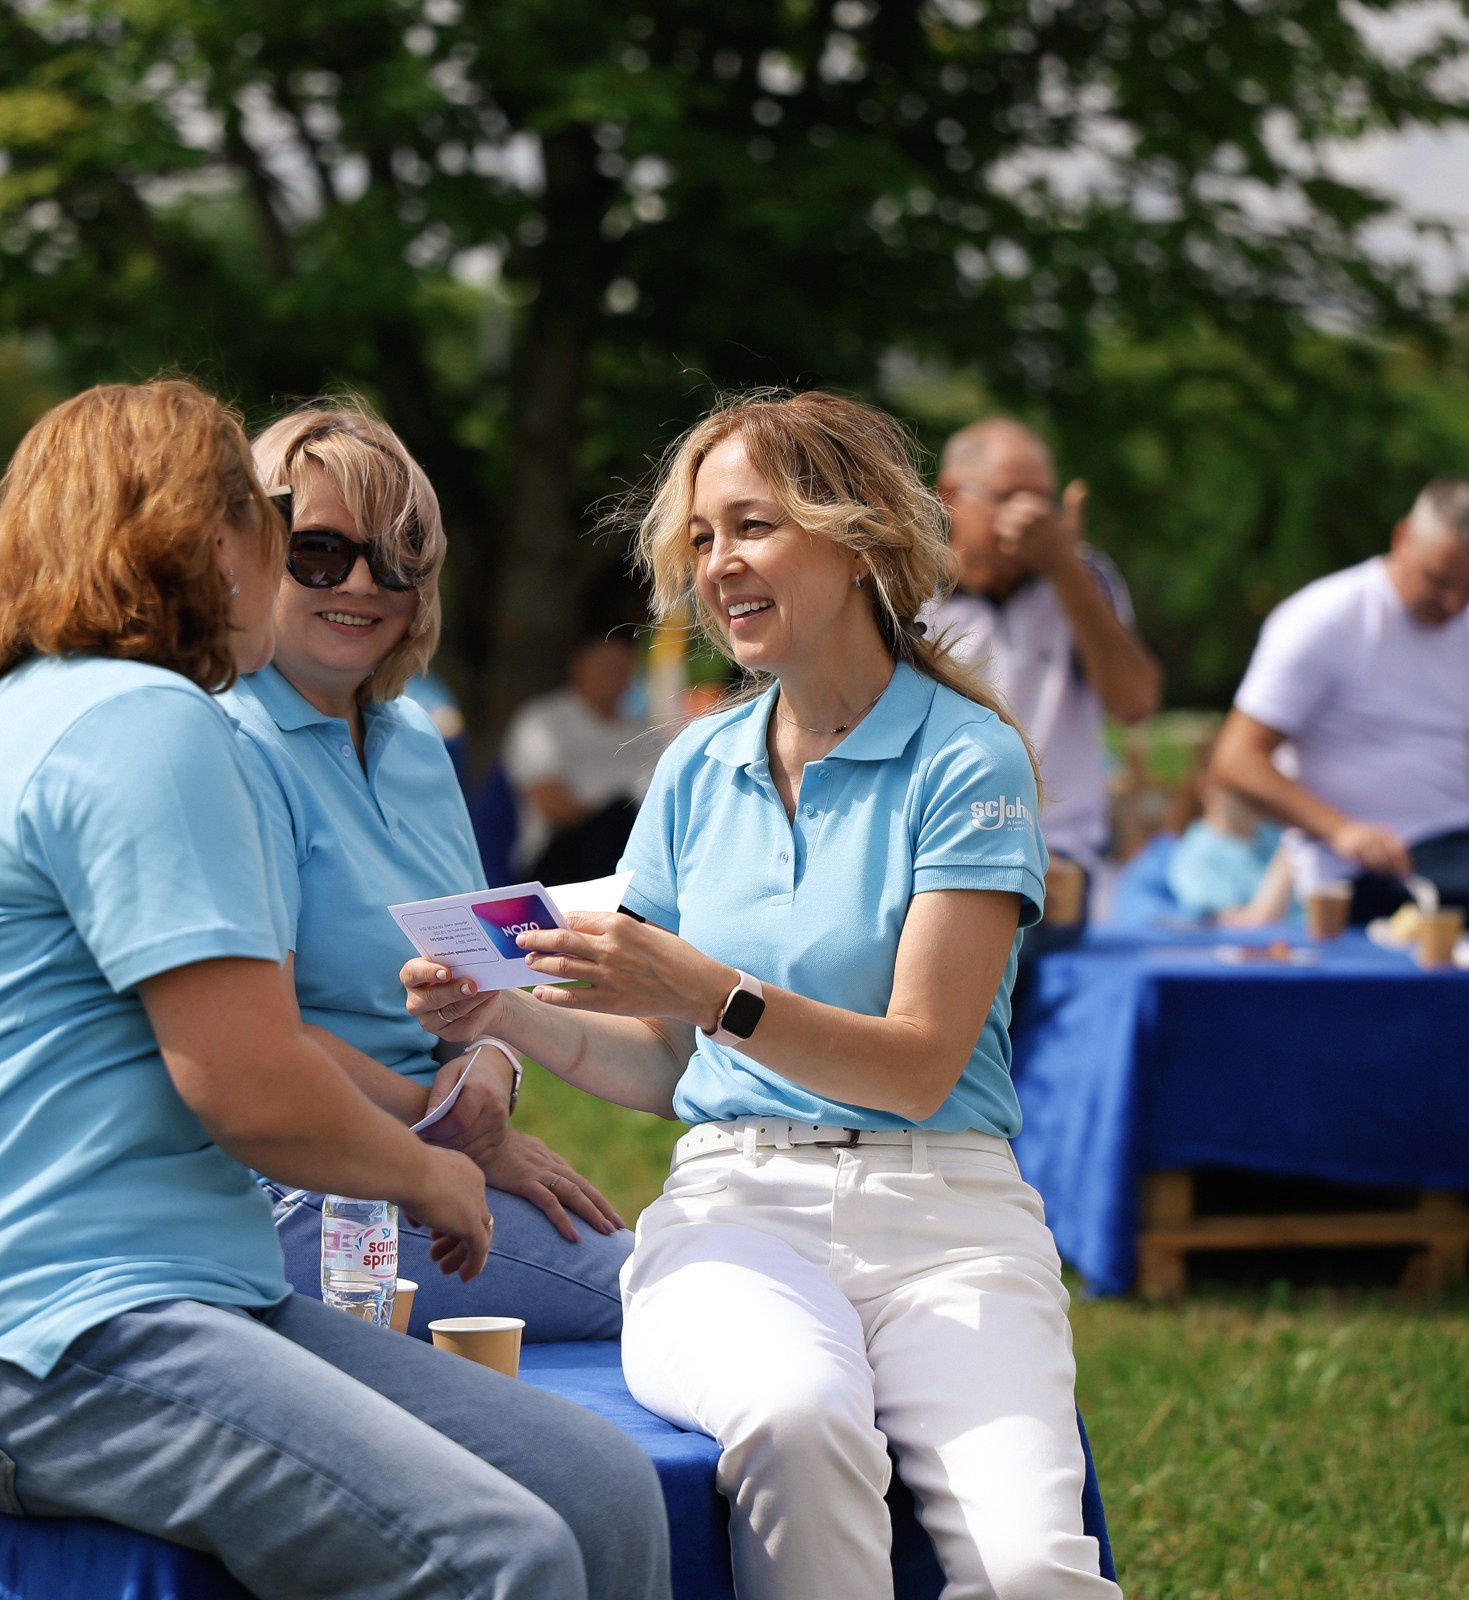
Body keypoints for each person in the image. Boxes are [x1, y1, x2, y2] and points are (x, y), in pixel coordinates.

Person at [0, 380, 668, 1600]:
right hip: (37, 1332)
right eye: (285, 531)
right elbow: (251, 1089)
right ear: (216, 538)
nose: (333, 572)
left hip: (176, 1292)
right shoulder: (148, 724)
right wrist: (435, 1170)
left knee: (604, 1488)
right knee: (501, 1553)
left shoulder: (30, 717)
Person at [406, 390, 1117, 1600]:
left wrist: (712, 991)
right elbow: (658, 1062)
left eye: (751, 526)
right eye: (700, 537)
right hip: (738, 1207)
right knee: (797, 1419)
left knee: (1033, 1571)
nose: (717, 564)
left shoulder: (968, 757)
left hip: (949, 1220)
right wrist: (505, 1010)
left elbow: (921, 1063)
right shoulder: (696, 764)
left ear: (855, 541)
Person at [227, 399, 632, 1341]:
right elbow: (250, 1037)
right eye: (321, 550)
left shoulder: (417, 741)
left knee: (686, 1279)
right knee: (665, 1294)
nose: (364, 583)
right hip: (285, 1177)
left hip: (419, 1163)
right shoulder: (222, 738)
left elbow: (482, 974)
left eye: (400, 556)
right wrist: (451, 1128)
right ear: (247, 549)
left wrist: (489, 1078)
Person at [1213, 477, 1469, 933]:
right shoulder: (1324, 618)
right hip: (1367, 869)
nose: (1453, 603)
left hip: (1463, 836)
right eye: (1439, 580)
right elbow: (1234, 760)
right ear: (1402, 538)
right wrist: (1341, 831)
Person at [920, 418, 1161, 889]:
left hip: (1063, 858)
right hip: (941, 852)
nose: (1031, 516)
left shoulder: (1084, 579)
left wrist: (1065, 570)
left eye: (1042, 501)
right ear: (950, 496)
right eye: (1009, 497)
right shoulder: (909, 588)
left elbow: (1135, 704)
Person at [505, 630, 659, 881]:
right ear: (579, 666)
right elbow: (548, 800)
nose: (616, 678)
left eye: (624, 669)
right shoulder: (542, 720)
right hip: (561, 858)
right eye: (608, 668)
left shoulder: (646, 734)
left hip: (632, 859)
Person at [1163, 735, 1290, 926]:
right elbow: (1245, 926)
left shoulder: (1273, 835)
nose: (1255, 790)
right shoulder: (1196, 856)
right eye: (1240, 780)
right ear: (1205, 786)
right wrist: (1289, 857)